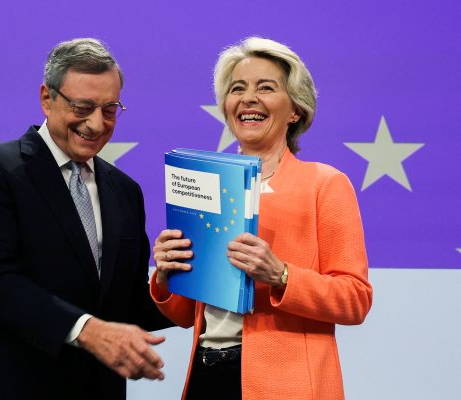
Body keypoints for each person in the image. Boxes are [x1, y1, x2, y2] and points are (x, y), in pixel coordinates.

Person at [0, 38, 172, 400]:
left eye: (110, 109)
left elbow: (127, 305)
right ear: (46, 98)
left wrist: (170, 281)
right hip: (10, 387)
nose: (97, 124)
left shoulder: (125, 191)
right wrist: (87, 330)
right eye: (83, 106)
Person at [151, 37, 373, 400]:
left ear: (295, 110)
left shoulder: (326, 184)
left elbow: (355, 299)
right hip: (206, 377)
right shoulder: (205, 184)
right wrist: (166, 272)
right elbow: (183, 313)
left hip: (289, 386)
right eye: (237, 89)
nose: (248, 98)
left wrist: (282, 276)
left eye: (265, 88)